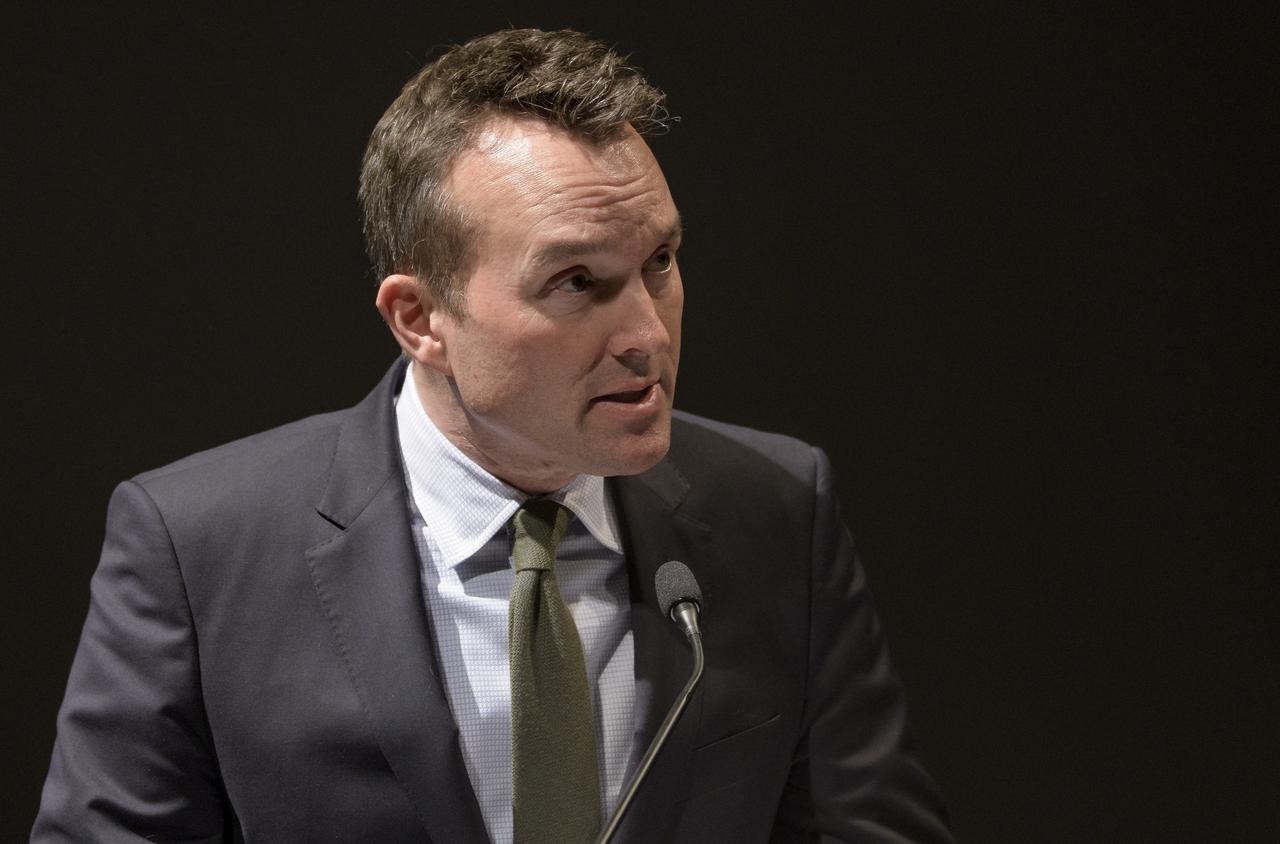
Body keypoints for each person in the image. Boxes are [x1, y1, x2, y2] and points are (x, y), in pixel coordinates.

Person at [33, 28, 953, 843]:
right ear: (419, 318)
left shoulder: (779, 510)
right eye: (575, 283)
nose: (648, 333)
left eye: (660, 262)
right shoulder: (200, 548)